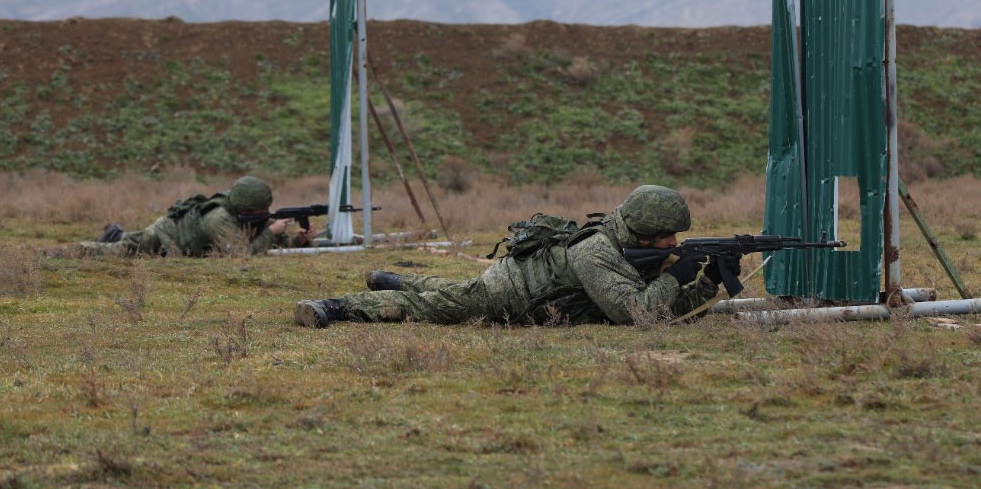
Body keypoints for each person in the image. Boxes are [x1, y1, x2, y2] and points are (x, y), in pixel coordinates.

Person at [293, 184, 740, 328]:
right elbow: (637, 313)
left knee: (451, 290)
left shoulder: (628, 245)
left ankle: (394, 277)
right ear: (647, 232)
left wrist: (708, 283)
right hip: (508, 295)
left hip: (532, 293)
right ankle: (334, 307)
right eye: (669, 239)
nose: (673, 247)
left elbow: (666, 312)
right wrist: (678, 273)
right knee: (437, 308)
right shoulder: (596, 251)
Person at [79, 175, 312, 257]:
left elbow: (259, 237)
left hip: (178, 238)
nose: (266, 216)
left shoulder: (243, 213)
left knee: (128, 240)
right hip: (167, 238)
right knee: (122, 251)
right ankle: (76, 250)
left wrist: (296, 240)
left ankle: (114, 232)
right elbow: (239, 255)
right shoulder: (219, 219)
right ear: (247, 208)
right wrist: (271, 233)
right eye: (261, 212)